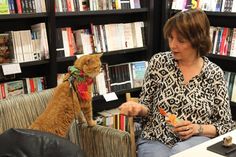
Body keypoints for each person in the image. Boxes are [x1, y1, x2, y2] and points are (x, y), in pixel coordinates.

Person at [119, 9, 236, 157]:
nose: (173, 45)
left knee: (181, 152)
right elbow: (146, 107)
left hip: (196, 140)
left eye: (180, 40)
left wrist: (196, 129)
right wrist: (137, 108)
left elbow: (225, 125)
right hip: (156, 139)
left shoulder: (214, 74)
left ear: (197, 40)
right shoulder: (159, 62)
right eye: (170, 38)